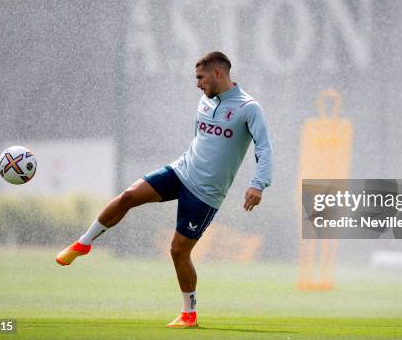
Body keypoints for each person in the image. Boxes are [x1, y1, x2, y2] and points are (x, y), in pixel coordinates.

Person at [55, 51, 273, 328]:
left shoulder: (249, 107)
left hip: (205, 193)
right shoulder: (204, 102)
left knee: (178, 251)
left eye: (200, 77)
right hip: (180, 170)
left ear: (218, 73)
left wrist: (258, 183)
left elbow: (264, 148)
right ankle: (83, 243)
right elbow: (200, 140)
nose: (197, 84)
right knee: (128, 196)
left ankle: (188, 314)